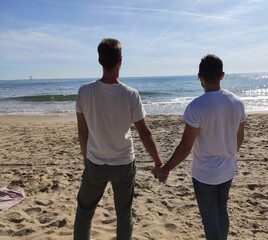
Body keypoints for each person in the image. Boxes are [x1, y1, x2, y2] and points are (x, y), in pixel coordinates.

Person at [74, 38, 163, 240]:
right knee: (123, 213)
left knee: (85, 211)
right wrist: (159, 162)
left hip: (96, 162)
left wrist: (85, 158)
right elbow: (144, 132)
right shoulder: (130, 94)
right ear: (120, 61)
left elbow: (82, 131)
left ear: (100, 61)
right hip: (123, 163)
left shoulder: (84, 92)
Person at [153, 54, 246, 240]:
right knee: (221, 211)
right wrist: (226, 153)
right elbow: (239, 138)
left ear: (199, 77)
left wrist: (165, 169)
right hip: (227, 169)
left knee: (210, 218)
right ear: (222, 75)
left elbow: (185, 148)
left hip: (205, 173)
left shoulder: (196, 106)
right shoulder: (237, 102)